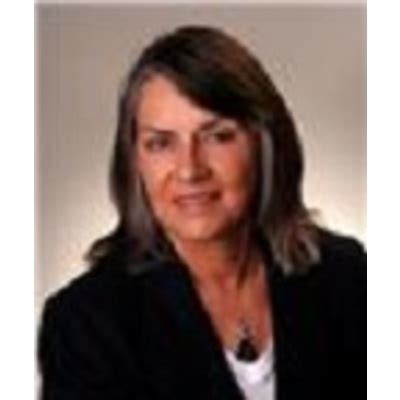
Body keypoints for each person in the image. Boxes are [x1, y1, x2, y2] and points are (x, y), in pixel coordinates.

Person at [38, 25, 366, 400]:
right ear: (135, 162)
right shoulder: (85, 324)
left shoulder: (348, 276)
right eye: (161, 143)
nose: (190, 169)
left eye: (218, 137)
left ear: (265, 145)